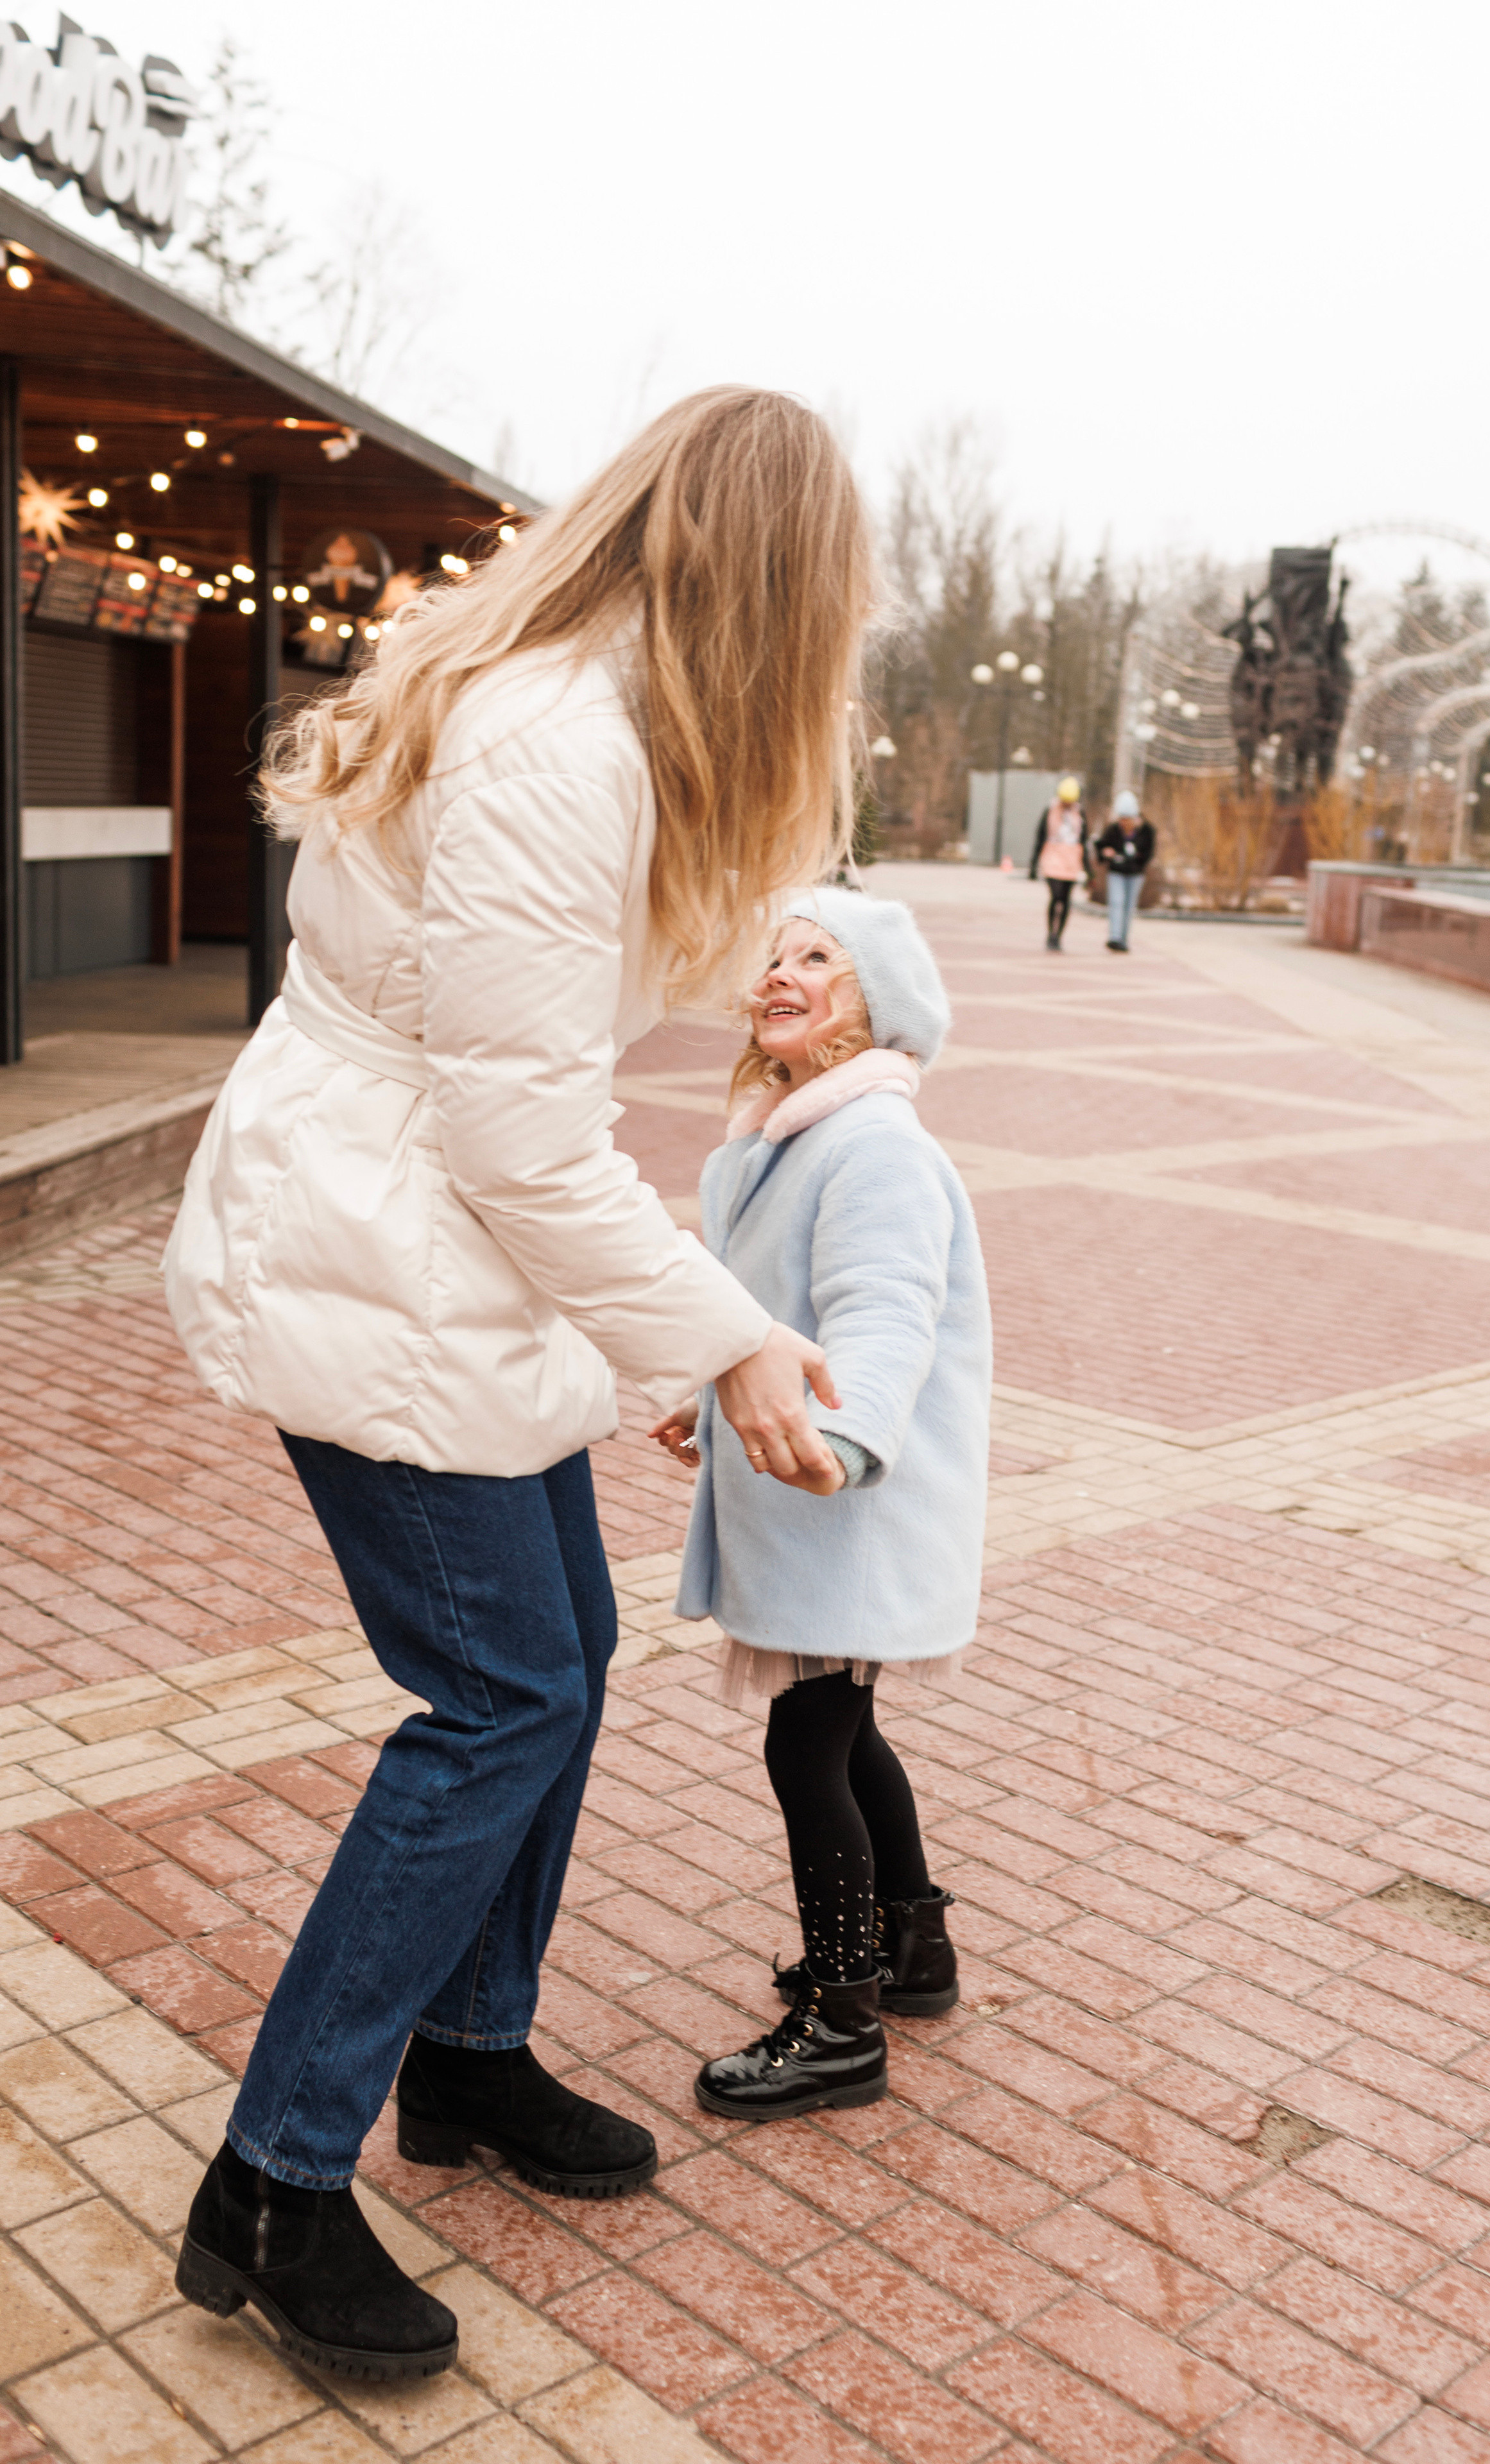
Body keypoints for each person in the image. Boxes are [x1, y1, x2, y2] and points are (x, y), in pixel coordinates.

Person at [161, 389, 875, 2380]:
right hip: (378, 1247)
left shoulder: (579, 699)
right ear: (777, 587)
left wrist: (654, 1320)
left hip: (435, 1249)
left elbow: (518, 1121)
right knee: (503, 1690)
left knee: (555, 1653)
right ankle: (277, 2176)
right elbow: (517, 1142)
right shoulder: (564, 745)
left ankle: (467, 2059)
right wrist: (716, 1335)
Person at [651, 889, 990, 2119]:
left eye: (819, 959)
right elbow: (770, 1303)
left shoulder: (875, 1145)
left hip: (849, 1497)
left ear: (875, 1007)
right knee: (847, 1731)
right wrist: (717, 1389)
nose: (781, 974)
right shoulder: (790, 1136)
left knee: (811, 1742)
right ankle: (916, 1949)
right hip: (815, 1491)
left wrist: (838, 1439)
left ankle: (842, 2018)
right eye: (776, 957)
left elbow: (883, 1312)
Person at [1029, 776, 1088, 950]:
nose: (1067, 804)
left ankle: (1059, 936)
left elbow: (1083, 841)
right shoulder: (1050, 810)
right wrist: (1034, 864)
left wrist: (1088, 869)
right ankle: (1050, 934)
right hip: (1053, 857)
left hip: (1072, 859)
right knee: (1055, 896)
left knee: (1066, 899)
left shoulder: (1080, 813)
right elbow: (1040, 837)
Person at [1094, 789, 1155, 951]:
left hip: (1135, 875)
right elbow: (1101, 846)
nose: (1123, 823)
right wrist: (1106, 854)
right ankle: (1114, 936)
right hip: (1116, 872)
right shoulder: (1113, 830)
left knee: (1129, 906)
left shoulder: (1147, 831)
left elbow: (1149, 853)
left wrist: (1137, 861)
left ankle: (1123, 938)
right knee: (1117, 902)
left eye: (1127, 819)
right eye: (1121, 819)